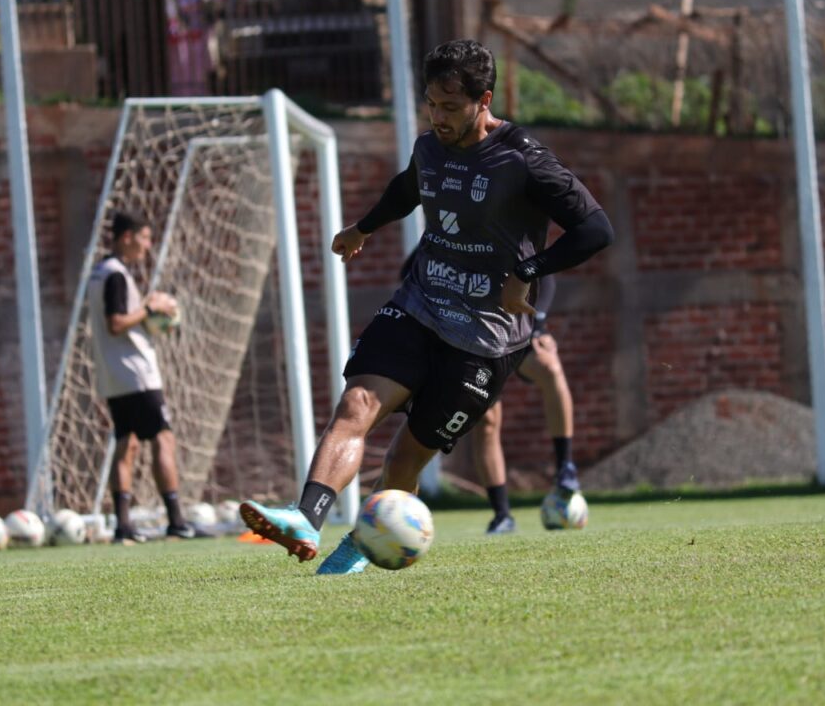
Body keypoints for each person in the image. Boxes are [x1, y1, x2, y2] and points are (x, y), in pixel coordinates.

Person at [238, 38, 613, 573]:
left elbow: (597, 229)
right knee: (357, 405)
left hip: (485, 341)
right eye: (432, 105)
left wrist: (527, 273)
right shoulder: (430, 146)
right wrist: (362, 227)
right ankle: (305, 516)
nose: (438, 117)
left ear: (484, 101)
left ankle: (364, 546)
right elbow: (410, 187)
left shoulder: (523, 158)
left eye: (451, 107)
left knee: (406, 457)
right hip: (420, 305)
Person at [87, 211, 195, 544]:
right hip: (137, 373)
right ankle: (176, 521)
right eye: (145, 238)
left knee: (126, 442)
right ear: (126, 237)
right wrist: (151, 310)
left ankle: (124, 527)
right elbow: (116, 323)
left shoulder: (98, 272)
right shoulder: (116, 275)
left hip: (113, 373)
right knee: (163, 438)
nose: (148, 246)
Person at [471, 274, 581, 535]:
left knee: (550, 367)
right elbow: (411, 271)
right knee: (486, 420)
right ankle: (502, 516)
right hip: (476, 334)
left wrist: (537, 324)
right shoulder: (450, 235)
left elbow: (546, 275)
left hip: (521, 327)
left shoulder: (516, 235)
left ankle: (565, 468)